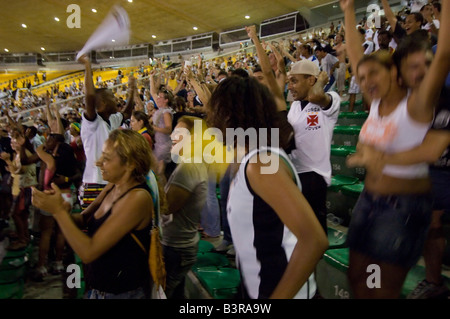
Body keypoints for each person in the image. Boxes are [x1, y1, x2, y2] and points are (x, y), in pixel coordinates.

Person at [340, 0, 449, 298]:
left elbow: (443, 58)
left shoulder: (416, 106)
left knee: (382, 289)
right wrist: (348, 10)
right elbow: (355, 55)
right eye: (364, 77)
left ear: (395, 75)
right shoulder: (377, 103)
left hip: (402, 208)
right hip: (370, 201)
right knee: (358, 279)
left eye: (375, 74)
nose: (367, 81)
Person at [206, 75, 328, 299]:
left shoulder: (261, 164)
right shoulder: (249, 158)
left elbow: (314, 240)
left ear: (229, 115)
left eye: (215, 113)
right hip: (257, 287)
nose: (211, 121)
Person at [31, 129, 158, 299]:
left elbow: (88, 251)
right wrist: (62, 210)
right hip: (100, 290)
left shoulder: (138, 198)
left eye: (106, 158)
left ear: (130, 164)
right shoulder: (113, 185)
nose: (98, 163)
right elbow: (83, 219)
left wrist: (58, 211)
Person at [287, 60, 341, 234]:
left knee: (313, 232)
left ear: (311, 80)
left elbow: (315, 96)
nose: (290, 87)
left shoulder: (330, 99)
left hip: (314, 175)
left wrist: (322, 81)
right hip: (294, 172)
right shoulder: (295, 106)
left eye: (294, 81)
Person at [77, 55, 136, 211]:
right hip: (93, 183)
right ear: (101, 104)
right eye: (111, 97)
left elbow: (127, 112)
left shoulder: (112, 120)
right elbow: (89, 97)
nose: (116, 100)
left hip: (110, 181)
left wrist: (132, 91)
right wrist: (88, 65)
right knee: (92, 227)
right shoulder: (92, 122)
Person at [159, 116, 208, 299]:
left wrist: (157, 175)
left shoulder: (189, 166)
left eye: (178, 132)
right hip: (180, 244)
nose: (172, 135)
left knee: (163, 293)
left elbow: (167, 207)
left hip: (176, 247)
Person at [33, 133, 80, 281]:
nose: (47, 141)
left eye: (50, 139)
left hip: (51, 196)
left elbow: (39, 150)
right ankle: (59, 263)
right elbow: (77, 174)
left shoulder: (50, 160)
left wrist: (44, 146)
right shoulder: (70, 160)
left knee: (46, 232)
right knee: (61, 232)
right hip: (67, 195)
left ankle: (42, 266)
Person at [149, 70, 174, 168]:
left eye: (160, 97)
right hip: (158, 144)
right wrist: (151, 78)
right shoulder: (161, 109)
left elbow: (168, 129)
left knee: (160, 172)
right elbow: (152, 92)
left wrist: (155, 128)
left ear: (166, 100)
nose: (157, 98)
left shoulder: (166, 112)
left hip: (164, 146)